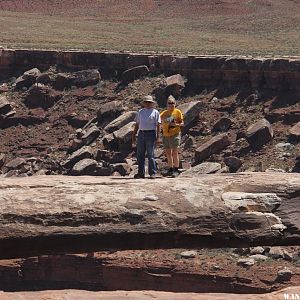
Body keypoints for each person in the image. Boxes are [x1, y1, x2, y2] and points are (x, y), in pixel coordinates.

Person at [132, 95, 161, 179]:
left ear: (152, 103)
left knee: (150, 154)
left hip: (151, 134)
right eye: (146, 102)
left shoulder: (155, 112)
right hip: (141, 134)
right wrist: (134, 135)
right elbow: (137, 124)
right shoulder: (140, 112)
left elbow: (158, 125)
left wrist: (158, 137)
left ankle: (152, 173)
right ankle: (141, 173)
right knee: (140, 154)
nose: (148, 104)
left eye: (149, 102)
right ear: (144, 103)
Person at [160, 95, 184, 177]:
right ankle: (170, 169)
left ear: (175, 103)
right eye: (169, 103)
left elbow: (182, 123)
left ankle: (176, 169)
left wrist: (175, 124)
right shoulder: (164, 113)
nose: (171, 105)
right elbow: (158, 120)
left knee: (174, 152)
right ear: (167, 104)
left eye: (172, 103)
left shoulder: (177, 112)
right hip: (165, 135)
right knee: (168, 153)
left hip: (174, 134)